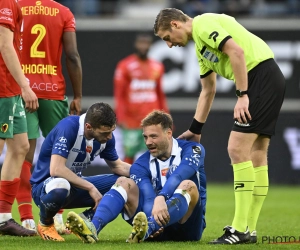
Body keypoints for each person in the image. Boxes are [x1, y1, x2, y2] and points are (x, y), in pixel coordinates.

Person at [153, 8, 285, 244]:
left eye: (167, 38)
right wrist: (196, 128)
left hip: (259, 77)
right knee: (256, 153)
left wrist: (243, 94)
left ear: (175, 24)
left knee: (236, 148)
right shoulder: (200, 48)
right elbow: (208, 90)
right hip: (267, 77)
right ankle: (248, 229)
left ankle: (239, 229)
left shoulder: (203, 24)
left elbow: (236, 51)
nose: (170, 45)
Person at [65, 110, 207, 244]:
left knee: (188, 185)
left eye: (153, 136)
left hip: (188, 229)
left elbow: (179, 175)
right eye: (145, 137)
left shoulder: (193, 149)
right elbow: (147, 195)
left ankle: (148, 227)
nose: (148, 142)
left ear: (169, 133)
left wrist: (162, 197)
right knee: (123, 182)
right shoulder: (140, 164)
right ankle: (93, 228)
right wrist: (151, 218)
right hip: (155, 225)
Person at [17, 0, 82, 233]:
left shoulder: (16, 7)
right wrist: (78, 95)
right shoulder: (63, 12)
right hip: (53, 91)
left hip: (21, 89)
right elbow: (72, 56)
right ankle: (57, 218)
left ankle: (26, 217)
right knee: (60, 154)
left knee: (22, 152)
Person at [30, 102, 131, 241]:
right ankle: (45, 223)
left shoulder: (107, 137)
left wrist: (145, 171)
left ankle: (85, 220)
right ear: (88, 127)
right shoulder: (69, 127)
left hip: (75, 188)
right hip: (45, 189)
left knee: (124, 184)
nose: (109, 137)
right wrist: (90, 187)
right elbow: (56, 169)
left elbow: (118, 167)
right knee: (61, 184)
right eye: (105, 133)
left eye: (111, 132)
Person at [0, 0, 39, 237]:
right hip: (3, 89)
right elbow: (5, 45)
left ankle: (3, 218)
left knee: (21, 146)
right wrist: (25, 84)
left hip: (10, 89)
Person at [114, 33, 169, 164]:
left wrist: (166, 116)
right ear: (136, 45)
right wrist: (120, 117)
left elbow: (160, 93)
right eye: (141, 43)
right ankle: (127, 182)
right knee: (129, 154)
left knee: (156, 153)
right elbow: (119, 94)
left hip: (152, 119)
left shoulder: (157, 66)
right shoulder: (125, 66)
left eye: (146, 43)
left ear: (150, 45)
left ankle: (153, 182)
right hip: (132, 120)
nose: (143, 46)